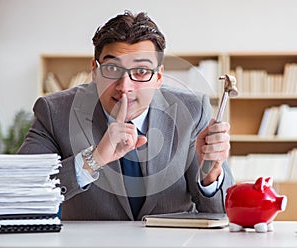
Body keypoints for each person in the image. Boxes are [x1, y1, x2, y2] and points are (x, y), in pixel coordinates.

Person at [18, 11, 234, 221]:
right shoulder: (54, 111)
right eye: (112, 68)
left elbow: (220, 214)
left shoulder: (194, 111)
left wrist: (210, 176)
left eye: (141, 71)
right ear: (94, 70)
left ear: (158, 77)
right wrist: (94, 159)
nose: (124, 86)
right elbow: (20, 191)